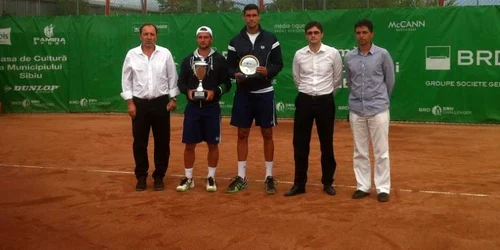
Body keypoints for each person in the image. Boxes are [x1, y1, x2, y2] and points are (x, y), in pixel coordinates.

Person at [226, 4, 283, 194]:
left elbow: (278, 63)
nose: (251, 18)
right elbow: (228, 68)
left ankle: (269, 176)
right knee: (242, 134)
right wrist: (235, 75)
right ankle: (241, 177)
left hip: (265, 93)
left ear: (259, 17)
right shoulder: (235, 41)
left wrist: (269, 71)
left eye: (254, 15)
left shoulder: (271, 39)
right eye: (248, 15)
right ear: (243, 17)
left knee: (267, 134)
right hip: (243, 94)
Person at [284, 21, 343, 197]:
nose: (313, 35)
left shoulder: (332, 53)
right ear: (306, 35)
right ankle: (299, 184)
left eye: (316, 32)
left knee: (326, 143)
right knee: (300, 143)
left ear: (322, 34)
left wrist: (324, 93)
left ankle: (327, 182)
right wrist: (308, 93)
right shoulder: (299, 54)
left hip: (325, 101)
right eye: (309, 33)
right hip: (304, 100)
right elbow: (297, 78)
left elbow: (337, 79)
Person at [120, 22, 179, 191]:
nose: (149, 37)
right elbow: (126, 80)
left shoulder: (165, 54)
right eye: (145, 34)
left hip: (161, 103)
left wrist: (173, 98)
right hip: (139, 105)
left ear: (156, 36)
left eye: (152, 34)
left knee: (162, 142)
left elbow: (171, 77)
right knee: (139, 142)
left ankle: (159, 175)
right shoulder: (132, 54)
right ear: (140, 36)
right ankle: (141, 176)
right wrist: (130, 103)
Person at [176, 26, 231, 192]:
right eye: (200, 37)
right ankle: (188, 178)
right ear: (196, 39)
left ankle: (211, 177)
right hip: (192, 108)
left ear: (211, 39)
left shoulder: (220, 60)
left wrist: (215, 92)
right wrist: (189, 91)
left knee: (213, 144)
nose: (203, 40)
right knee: (189, 144)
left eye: (206, 37)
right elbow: (181, 83)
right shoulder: (187, 60)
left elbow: (227, 84)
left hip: (212, 109)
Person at [344, 19, 395, 202]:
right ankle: (363, 186)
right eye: (358, 33)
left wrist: (381, 100)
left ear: (371, 34)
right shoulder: (349, 57)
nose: (361, 36)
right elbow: (350, 82)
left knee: (381, 151)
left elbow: (390, 81)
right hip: (357, 109)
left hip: (379, 109)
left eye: (365, 32)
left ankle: (382, 188)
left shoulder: (382, 54)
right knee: (360, 151)